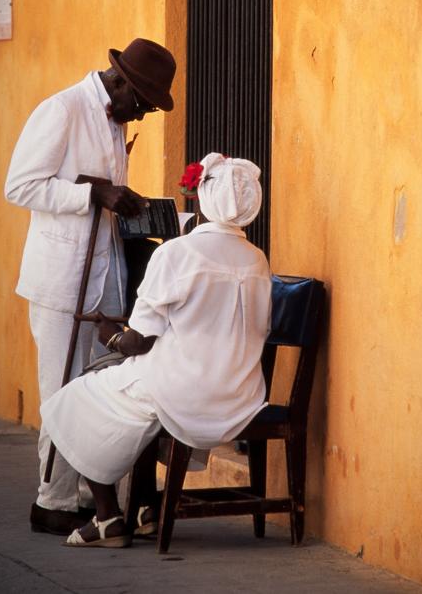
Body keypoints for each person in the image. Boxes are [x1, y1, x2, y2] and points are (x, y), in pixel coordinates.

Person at [40, 153, 271, 548]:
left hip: (185, 392)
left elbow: (138, 342)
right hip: (241, 396)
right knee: (136, 401)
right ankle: (146, 507)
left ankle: (108, 517)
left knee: (77, 397)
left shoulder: (176, 253)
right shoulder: (257, 259)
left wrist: (110, 332)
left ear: (200, 199)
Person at [4, 38, 177, 536]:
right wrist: (93, 192)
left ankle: (90, 499)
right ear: (119, 81)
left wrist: (124, 202)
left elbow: (101, 195)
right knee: (61, 389)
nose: (140, 115)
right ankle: (51, 501)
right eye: (140, 103)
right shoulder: (61, 110)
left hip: (105, 277)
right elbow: (19, 186)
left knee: (99, 393)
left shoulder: (115, 118)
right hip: (62, 279)